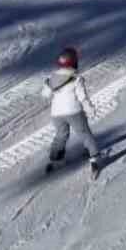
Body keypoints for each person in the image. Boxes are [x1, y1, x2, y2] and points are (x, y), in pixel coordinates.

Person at [42, 47, 103, 177]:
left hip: (57, 114)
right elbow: (82, 97)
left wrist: (48, 83)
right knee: (84, 133)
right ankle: (94, 159)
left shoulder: (51, 77)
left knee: (61, 135)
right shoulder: (76, 78)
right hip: (74, 111)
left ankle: (55, 159)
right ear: (74, 62)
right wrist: (90, 109)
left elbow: (45, 94)